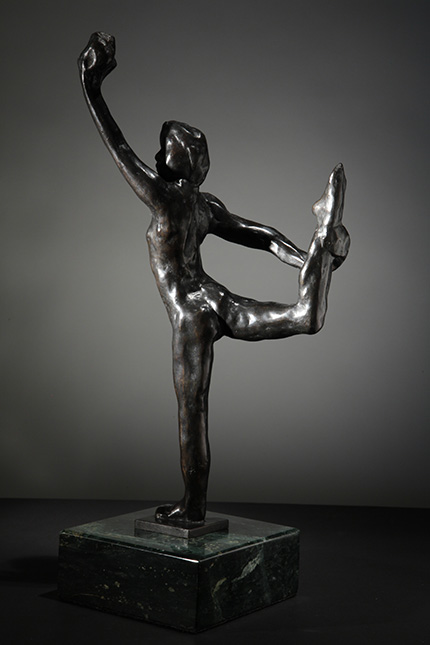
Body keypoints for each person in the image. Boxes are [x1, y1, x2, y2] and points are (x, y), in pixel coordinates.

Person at [78, 32, 350, 527]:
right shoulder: (205, 206)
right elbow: (262, 236)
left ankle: (193, 506)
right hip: (214, 296)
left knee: (193, 410)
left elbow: (117, 148)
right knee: (298, 319)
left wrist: (90, 86)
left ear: (173, 161)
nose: (154, 156)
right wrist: (309, 258)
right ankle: (320, 260)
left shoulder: (163, 198)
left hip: (190, 314)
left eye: (162, 151)